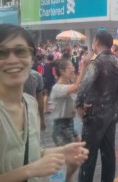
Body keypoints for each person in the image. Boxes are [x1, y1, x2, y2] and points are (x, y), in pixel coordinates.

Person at [0, 24, 88, 182]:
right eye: (2, 53)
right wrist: (31, 170)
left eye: (20, 51)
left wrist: (61, 151)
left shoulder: (30, 104)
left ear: (31, 58)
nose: (12, 60)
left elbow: (29, 154)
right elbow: (30, 166)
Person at [75, 30, 118, 182]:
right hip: (111, 113)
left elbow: (84, 85)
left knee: (88, 156)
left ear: (96, 41)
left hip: (94, 114)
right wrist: (114, 106)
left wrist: (79, 105)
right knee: (108, 154)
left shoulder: (96, 62)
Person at [50, 55, 90, 182]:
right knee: (73, 160)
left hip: (70, 125)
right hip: (61, 128)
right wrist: (83, 66)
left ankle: (64, 179)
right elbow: (76, 87)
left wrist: (83, 105)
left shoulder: (67, 86)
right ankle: (63, 179)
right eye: (70, 68)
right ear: (62, 71)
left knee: (80, 155)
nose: (72, 70)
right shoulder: (57, 88)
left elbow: (75, 96)